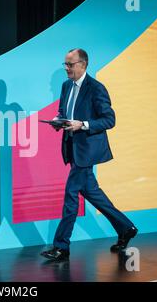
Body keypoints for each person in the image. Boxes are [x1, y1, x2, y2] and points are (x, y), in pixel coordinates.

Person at [41, 48, 138, 262]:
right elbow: (64, 112)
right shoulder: (66, 86)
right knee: (92, 193)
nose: (66, 68)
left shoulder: (96, 88)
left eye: (70, 64)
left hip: (87, 152)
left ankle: (61, 246)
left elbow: (109, 120)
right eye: (65, 64)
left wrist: (82, 125)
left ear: (83, 65)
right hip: (73, 148)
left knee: (71, 195)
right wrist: (59, 121)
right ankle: (126, 227)